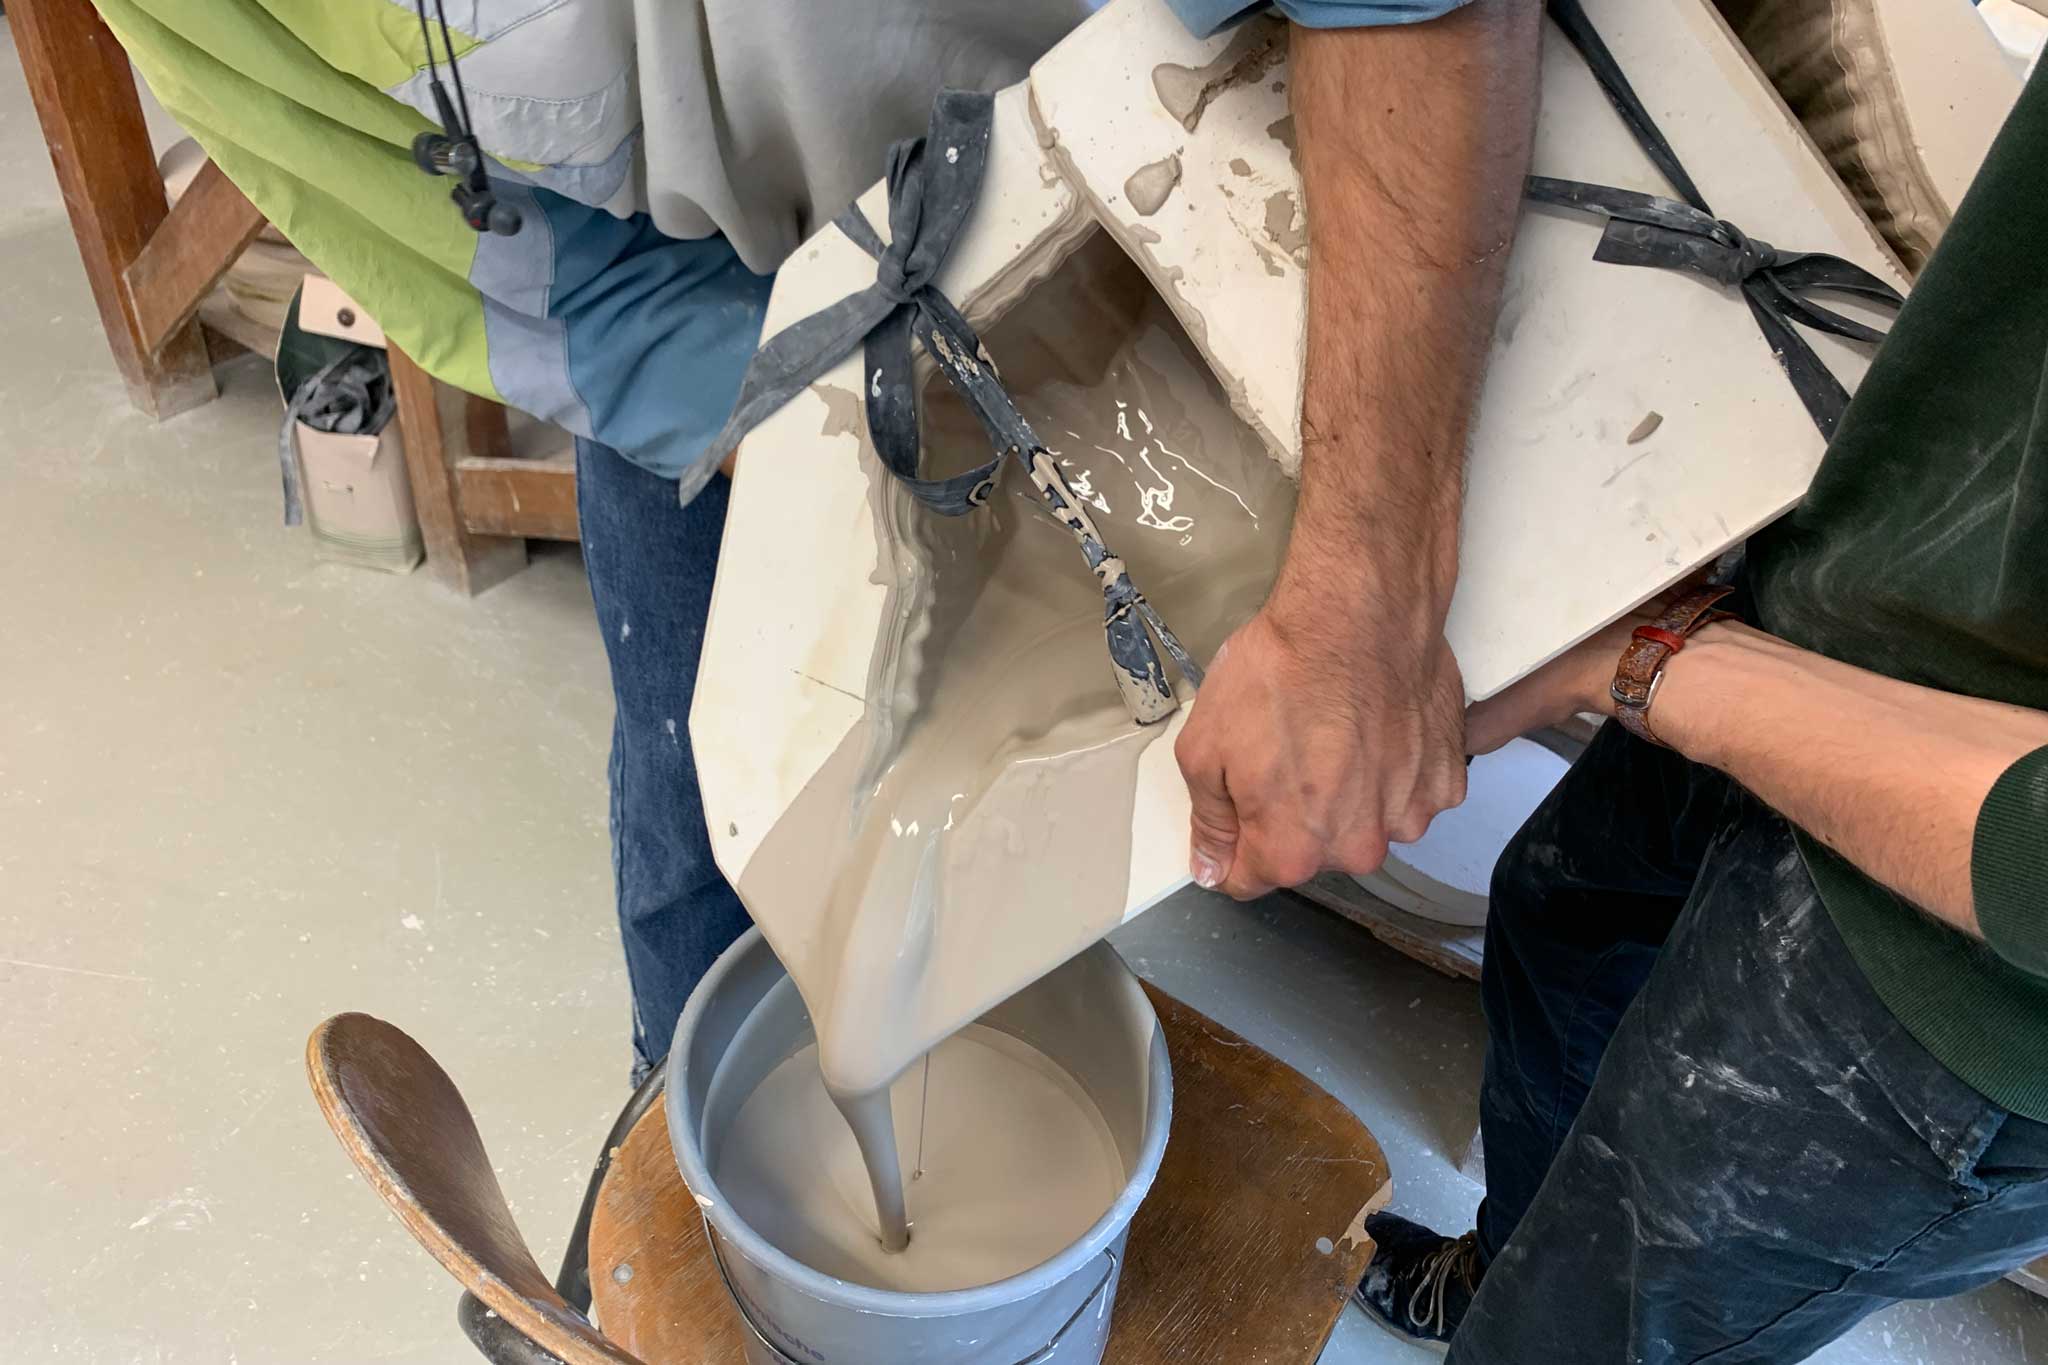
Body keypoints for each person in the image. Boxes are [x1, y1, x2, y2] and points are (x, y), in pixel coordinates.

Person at [91, 0, 1522, 1083]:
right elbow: (544, 273)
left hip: (1181, 149)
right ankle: (686, 1158)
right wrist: (837, 450)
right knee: (709, 828)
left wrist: (1366, 591)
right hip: (734, 285)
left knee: (1109, 779)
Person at [1208, 48, 2048, 1365]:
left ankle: (1532, 1315)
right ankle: (1512, 1260)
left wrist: (1642, 661)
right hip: (1873, 615)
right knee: (1567, 919)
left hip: (1972, 988)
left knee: (1594, 1317)